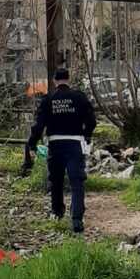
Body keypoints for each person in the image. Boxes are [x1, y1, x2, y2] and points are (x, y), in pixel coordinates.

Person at [23, 67, 97, 233]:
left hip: (55, 144)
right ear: (68, 79)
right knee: (77, 182)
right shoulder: (79, 97)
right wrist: (86, 135)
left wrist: (32, 143)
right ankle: (77, 220)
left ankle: (57, 212)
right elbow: (92, 121)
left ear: (55, 81)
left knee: (56, 180)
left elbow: (39, 125)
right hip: (75, 144)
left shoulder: (48, 99)